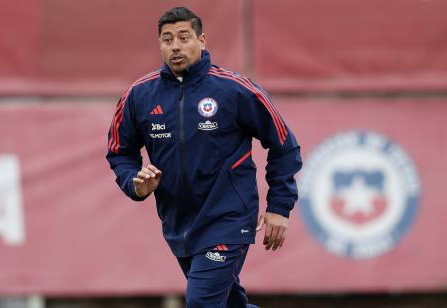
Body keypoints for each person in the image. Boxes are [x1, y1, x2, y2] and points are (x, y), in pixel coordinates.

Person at [106, 7, 302, 308]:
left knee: (201, 303)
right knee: (227, 303)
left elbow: (284, 145)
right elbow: (120, 152)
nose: (175, 46)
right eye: (167, 39)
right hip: (178, 224)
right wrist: (135, 184)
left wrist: (279, 207)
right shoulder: (139, 95)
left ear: (202, 40)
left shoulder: (235, 90)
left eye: (184, 37)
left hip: (229, 217)